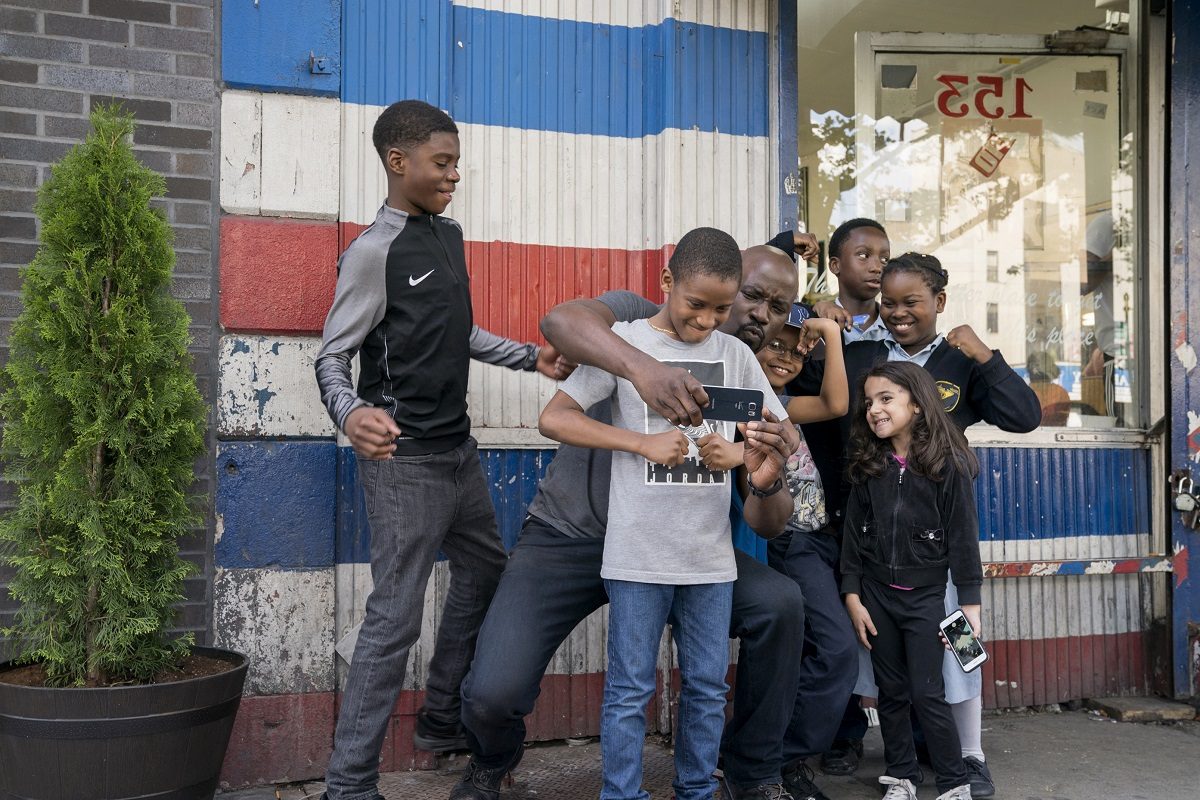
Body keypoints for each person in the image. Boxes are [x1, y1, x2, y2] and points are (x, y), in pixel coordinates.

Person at [454, 238, 817, 800]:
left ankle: (751, 772)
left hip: (685, 544)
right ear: (674, 282)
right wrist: (646, 373)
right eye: (751, 296)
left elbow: (769, 516)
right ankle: (491, 762)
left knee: (777, 607)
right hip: (571, 537)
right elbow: (560, 325)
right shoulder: (630, 319)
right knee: (495, 692)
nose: (755, 316)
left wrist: (765, 470)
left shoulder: (739, 364)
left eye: (776, 308)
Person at [313, 99, 567, 800]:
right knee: (393, 622)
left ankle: (442, 716)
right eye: (442, 162)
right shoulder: (373, 252)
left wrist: (528, 359)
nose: (455, 174)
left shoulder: (448, 237)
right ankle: (348, 785)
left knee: (487, 570)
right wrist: (352, 412)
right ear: (398, 162)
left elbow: (459, 331)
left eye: (457, 162)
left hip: (461, 458)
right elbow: (332, 358)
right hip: (406, 468)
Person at [538, 227, 791, 800]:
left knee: (706, 686)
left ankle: (696, 790)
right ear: (667, 281)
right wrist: (640, 444)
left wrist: (744, 454)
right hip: (637, 555)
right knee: (629, 689)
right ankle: (621, 794)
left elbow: (783, 432)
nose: (706, 322)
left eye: (721, 309)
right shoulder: (626, 344)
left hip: (709, 560)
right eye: (695, 305)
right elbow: (554, 419)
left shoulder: (736, 355)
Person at [795, 252, 1041, 798]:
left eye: (913, 302)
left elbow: (1024, 416)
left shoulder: (959, 359)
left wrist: (986, 355)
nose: (899, 313)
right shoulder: (859, 351)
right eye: (890, 302)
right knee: (882, 662)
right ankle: (891, 758)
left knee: (960, 648)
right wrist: (813, 313)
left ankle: (970, 756)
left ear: (940, 303)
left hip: (940, 546)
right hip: (873, 535)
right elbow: (789, 381)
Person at [840, 361, 982, 800]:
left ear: (917, 405)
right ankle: (901, 777)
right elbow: (851, 538)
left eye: (886, 399)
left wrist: (970, 607)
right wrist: (852, 595)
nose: (874, 410)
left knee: (927, 693)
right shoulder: (868, 466)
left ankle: (955, 781)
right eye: (869, 402)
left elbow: (963, 538)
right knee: (891, 693)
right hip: (877, 598)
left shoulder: (947, 466)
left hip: (927, 599)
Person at [739, 303, 860, 800]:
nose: (786, 358)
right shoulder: (747, 404)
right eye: (775, 346)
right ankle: (775, 760)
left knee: (821, 649)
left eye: (796, 350)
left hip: (825, 538)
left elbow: (835, 401)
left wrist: (829, 331)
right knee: (835, 650)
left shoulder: (785, 403)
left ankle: (766, 757)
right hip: (790, 542)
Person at [811, 217, 892, 342]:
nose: (877, 267)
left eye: (884, 259)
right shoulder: (815, 322)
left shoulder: (896, 327)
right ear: (835, 265)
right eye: (863, 255)